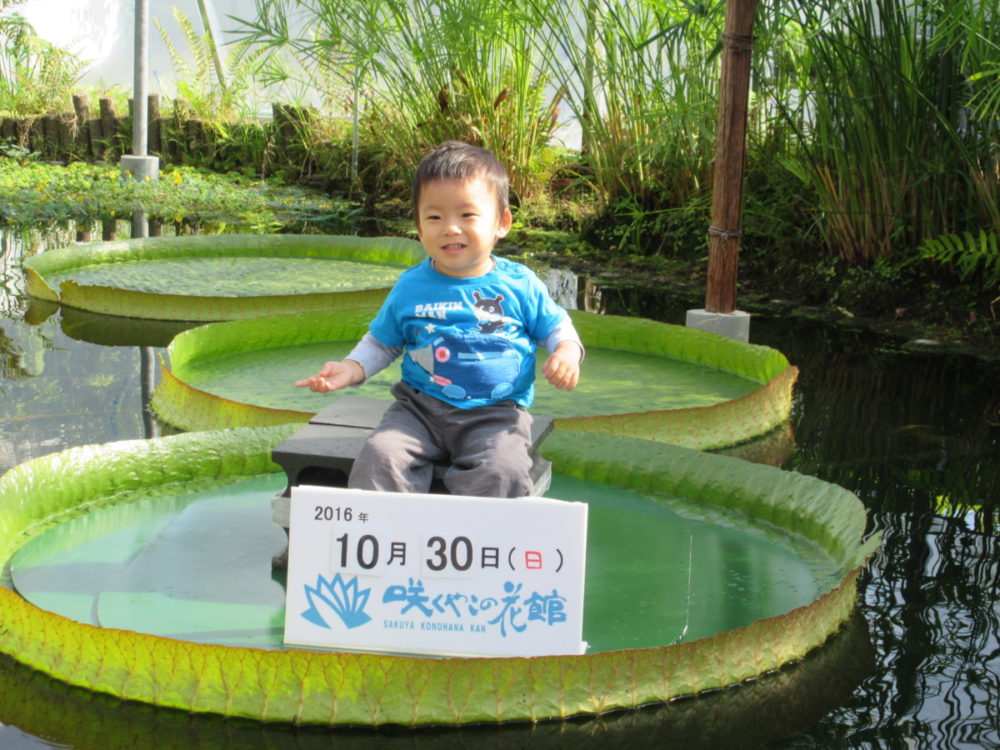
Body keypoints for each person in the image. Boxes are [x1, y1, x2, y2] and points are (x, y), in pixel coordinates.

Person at [295, 141, 583, 497]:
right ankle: (388, 540)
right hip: (418, 411)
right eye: (434, 217)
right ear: (418, 225)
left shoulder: (519, 283)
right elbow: (383, 341)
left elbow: (556, 326)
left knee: (502, 469)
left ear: (501, 222)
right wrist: (352, 368)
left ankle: (476, 545)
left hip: (496, 414)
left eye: (467, 215)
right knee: (380, 455)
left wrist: (566, 351)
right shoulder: (411, 286)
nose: (450, 228)